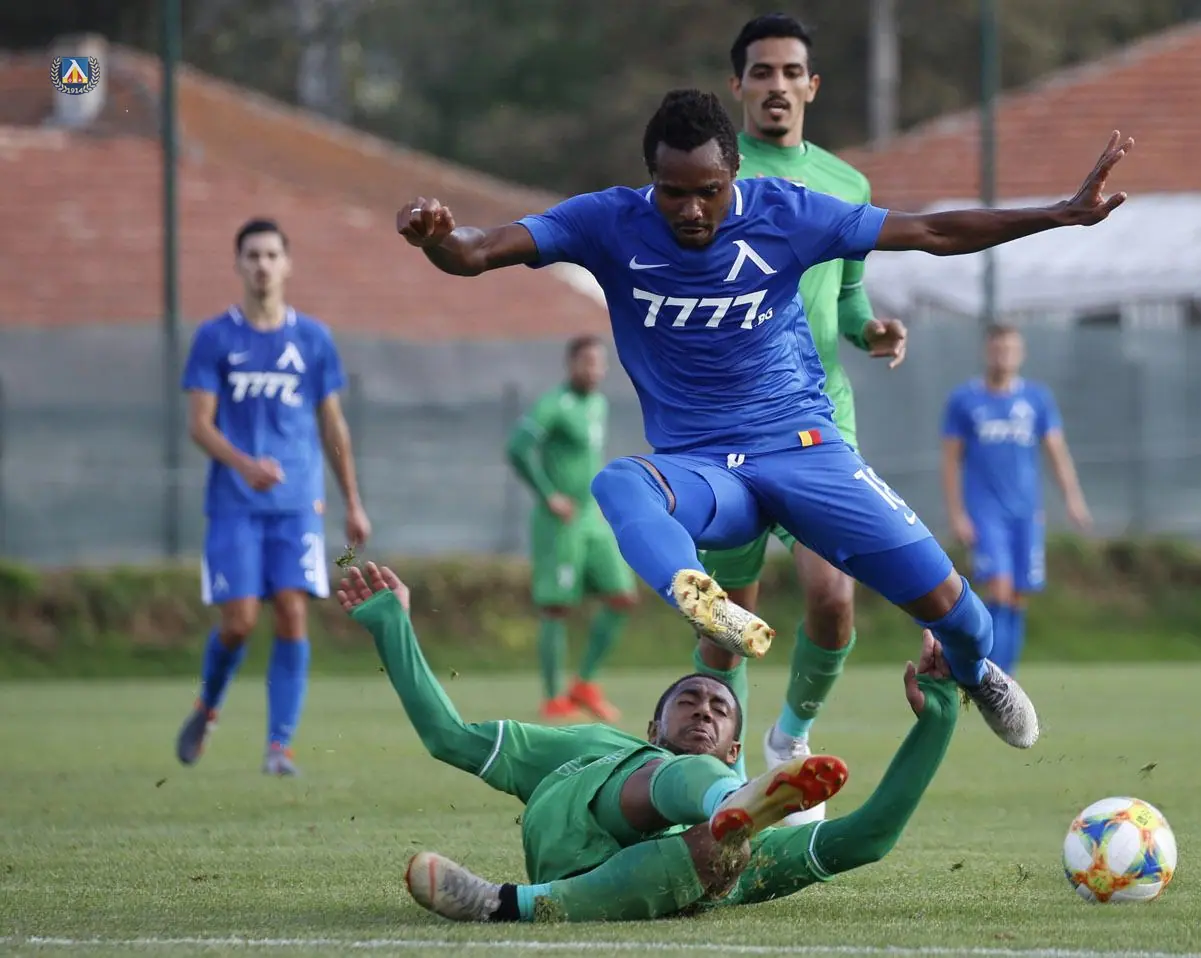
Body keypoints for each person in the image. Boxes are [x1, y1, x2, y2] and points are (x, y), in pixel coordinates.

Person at [396, 87, 1134, 750]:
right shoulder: (606, 221)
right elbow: (478, 251)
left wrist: (1058, 215)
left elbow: (931, 233)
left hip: (804, 451)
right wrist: (437, 239)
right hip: (703, 469)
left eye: (708, 192)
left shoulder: (788, 213)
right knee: (620, 482)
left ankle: (977, 673)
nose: (691, 210)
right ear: (650, 179)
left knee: (961, 616)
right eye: (673, 193)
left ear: (735, 175)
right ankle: (703, 602)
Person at [336, 561, 959, 922]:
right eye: (688, 700)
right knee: (686, 792)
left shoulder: (746, 839)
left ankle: (507, 906)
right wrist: (392, 625)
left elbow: (869, 837)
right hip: (580, 822)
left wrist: (937, 720)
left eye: (720, 709)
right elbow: (449, 738)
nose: (705, 709)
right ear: (652, 727)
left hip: (659, 877)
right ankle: (726, 805)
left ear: (735, 749)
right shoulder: (596, 744)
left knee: (725, 853)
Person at [692, 13, 911, 813]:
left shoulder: (846, 185)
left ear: (812, 86)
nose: (776, 85)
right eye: (762, 72)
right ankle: (711, 769)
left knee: (832, 594)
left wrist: (870, 329)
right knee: (727, 622)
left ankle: (789, 742)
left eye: (791, 72)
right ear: (737, 86)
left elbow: (848, 298)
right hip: (727, 426)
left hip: (819, 421)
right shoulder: (707, 179)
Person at [174, 217, 372, 776]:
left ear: (287, 265)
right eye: (252, 256)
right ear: (238, 265)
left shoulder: (313, 339)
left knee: (291, 610)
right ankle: (208, 705)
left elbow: (332, 425)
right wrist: (244, 465)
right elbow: (199, 425)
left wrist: (352, 501)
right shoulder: (215, 337)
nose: (262, 265)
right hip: (234, 504)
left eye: (270, 255)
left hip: (298, 504)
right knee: (238, 621)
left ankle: (279, 747)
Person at [941, 323, 1090, 675]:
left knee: (1019, 595)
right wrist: (957, 514)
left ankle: (1007, 677)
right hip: (985, 512)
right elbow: (950, 461)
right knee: (999, 588)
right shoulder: (965, 401)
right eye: (997, 349)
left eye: (1009, 349)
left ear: (1021, 354)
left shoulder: (1036, 399)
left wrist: (1073, 498)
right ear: (986, 352)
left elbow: (1056, 452)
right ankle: (987, 675)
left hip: (1026, 512)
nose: (1003, 356)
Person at [505, 334, 639, 722]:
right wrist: (548, 495)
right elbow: (517, 448)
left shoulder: (598, 404)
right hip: (559, 522)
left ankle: (584, 683)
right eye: (587, 362)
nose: (595, 370)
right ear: (571, 364)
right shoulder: (554, 404)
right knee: (556, 606)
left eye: (600, 363)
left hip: (591, 519)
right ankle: (553, 698)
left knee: (621, 596)